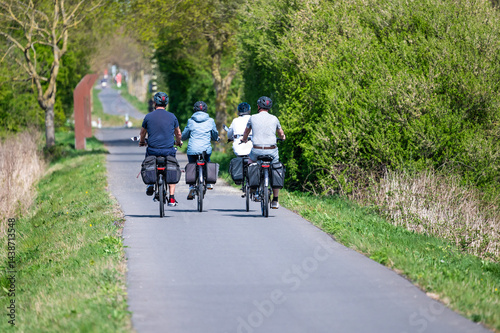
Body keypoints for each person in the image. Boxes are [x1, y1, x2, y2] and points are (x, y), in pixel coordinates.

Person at [240, 96, 286, 209]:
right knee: (275, 168)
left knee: (250, 162)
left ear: (259, 106)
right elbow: (280, 133)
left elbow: (246, 132)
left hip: (257, 149)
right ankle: (275, 200)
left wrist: (244, 139)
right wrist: (283, 137)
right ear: (269, 107)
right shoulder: (275, 118)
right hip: (272, 150)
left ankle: (253, 188)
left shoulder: (252, 118)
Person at [139, 92, 182, 206]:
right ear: (166, 103)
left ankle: (151, 185)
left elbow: (143, 132)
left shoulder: (148, 117)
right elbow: (178, 133)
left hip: (153, 150)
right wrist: (178, 142)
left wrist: (142, 141)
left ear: (154, 103)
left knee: (148, 157)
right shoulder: (172, 116)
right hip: (168, 150)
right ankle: (172, 197)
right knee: (172, 166)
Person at [181, 101, 219, 199]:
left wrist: (182, 138)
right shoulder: (210, 121)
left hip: (192, 149)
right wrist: (215, 138)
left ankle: (191, 186)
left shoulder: (190, 121)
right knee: (207, 160)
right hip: (205, 150)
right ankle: (209, 182)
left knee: (192, 164)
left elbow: (184, 135)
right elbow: (214, 133)